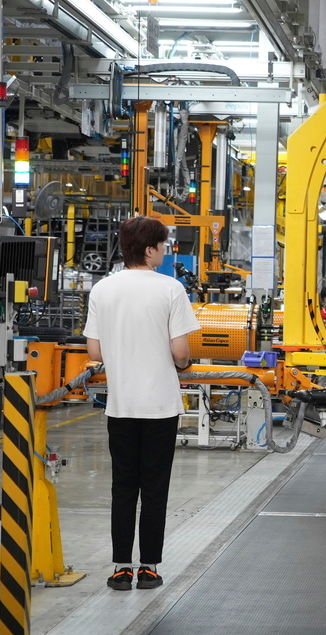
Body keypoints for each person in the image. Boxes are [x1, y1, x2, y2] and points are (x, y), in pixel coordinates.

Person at [84, 216, 201, 591]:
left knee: (123, 487)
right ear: (149, 249)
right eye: (162, 246)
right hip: (160, 408)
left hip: (120, 406)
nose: (164, 252)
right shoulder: (171, 289)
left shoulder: (103, 289)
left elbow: (93, 350)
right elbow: (181, 353)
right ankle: (148, 567)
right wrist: (181, 362)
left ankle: (120, 567)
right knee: (154, 488)